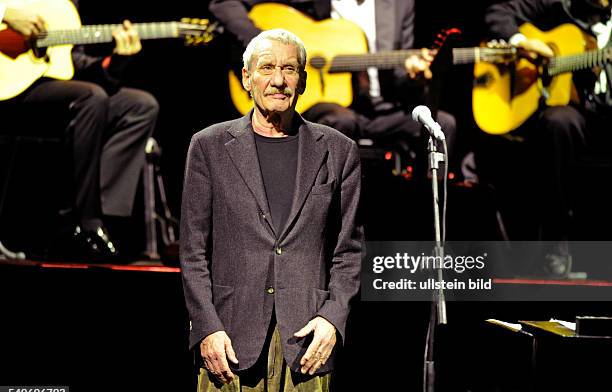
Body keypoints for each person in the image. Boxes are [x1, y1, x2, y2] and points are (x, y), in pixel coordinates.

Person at [180, 28, 363, 392]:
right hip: (227, 339)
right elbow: (192, 253)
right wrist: (207, 328)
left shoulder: (339, 151)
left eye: (289, 69)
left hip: (307, 343)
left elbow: (349, 252)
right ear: (247, 78)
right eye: (267, 68)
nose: (278, 80)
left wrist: (333, 319)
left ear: (303, 81)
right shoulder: (209, 146)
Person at [209, 0, 459, 177]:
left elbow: (400, 78)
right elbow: (224, 4)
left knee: (441, 125)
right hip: (328, 106)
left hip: (382, 108)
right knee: (339, 122)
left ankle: (422, 223)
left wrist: (413, 75)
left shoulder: (398, 4)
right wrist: (265, 45)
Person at [0, 0, 159, 261]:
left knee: (139, 106)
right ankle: (84, 220)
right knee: (91, 98)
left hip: (46, 87)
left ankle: (98, 217)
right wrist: (6, 13)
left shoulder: (65, 6)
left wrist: (115, 62)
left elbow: (71, 62)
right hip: (8, 90)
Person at [483, 0, 612, 277]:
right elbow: (498, 13)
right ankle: (554, 243)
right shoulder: (559, 3)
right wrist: (524, 42)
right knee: (559, 122)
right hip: (572, 112)